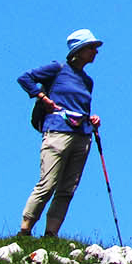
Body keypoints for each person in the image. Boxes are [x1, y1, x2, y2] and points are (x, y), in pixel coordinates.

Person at [17, 29, 104, 238]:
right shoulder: (57, 69)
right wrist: (41, 97)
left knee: (67, 189)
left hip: (82, 135)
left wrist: (91, 119)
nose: (95, 52)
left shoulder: (88, 81)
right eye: (92, 47)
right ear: (80, 50)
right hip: (57, 132)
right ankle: (25, 229)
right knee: (47, 184)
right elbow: (25, 78)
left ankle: (51, 234)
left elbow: (80, 106)